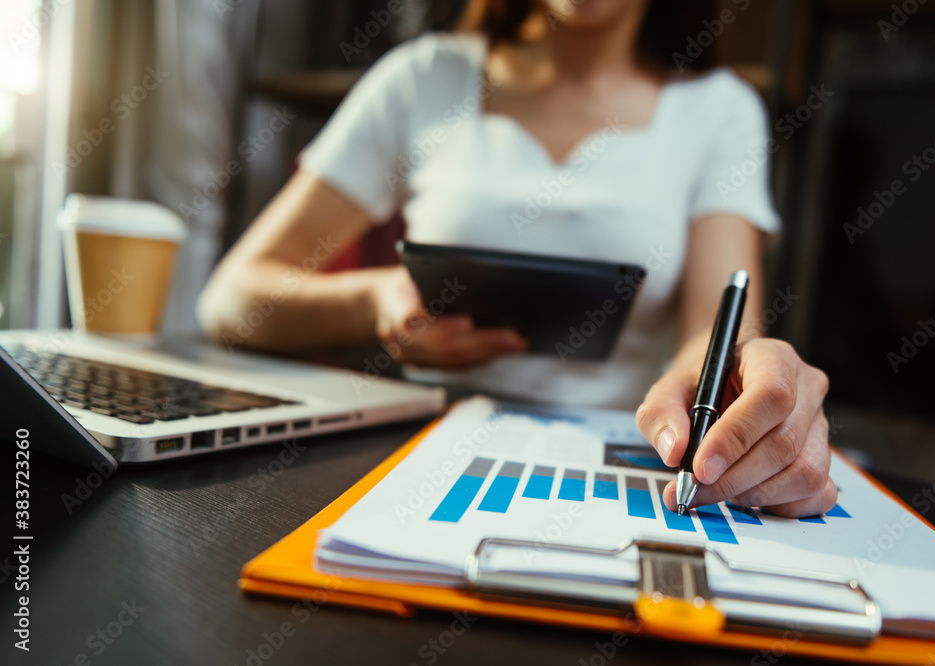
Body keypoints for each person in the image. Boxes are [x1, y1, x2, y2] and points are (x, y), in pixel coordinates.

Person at [198, 0, 836, 518]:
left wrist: (741, 371)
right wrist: (377, 301)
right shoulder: (423, 78)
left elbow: (714, 326)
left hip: (623, 471)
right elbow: (230, 301)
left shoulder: (719, 110)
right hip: (420, 454)